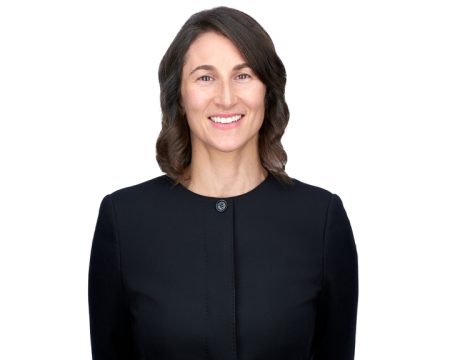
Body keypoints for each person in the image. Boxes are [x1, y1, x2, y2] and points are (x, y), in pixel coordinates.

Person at [88, 6, 359, 360]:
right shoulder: (124, 220)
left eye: (243, 75)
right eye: (205, 77)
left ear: (268, 91)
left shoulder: (321, 219)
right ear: (180, 97)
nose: (227, 97)